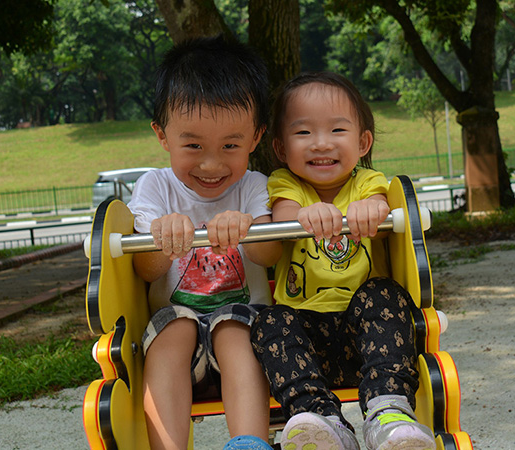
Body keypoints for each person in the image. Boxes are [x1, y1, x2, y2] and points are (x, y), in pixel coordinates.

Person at [250, 72, 436, 450]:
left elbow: (381, 213)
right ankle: (321, 421)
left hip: (368, 341)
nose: (321, 143)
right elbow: (284, 217)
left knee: (384, 293)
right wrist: (304, 214)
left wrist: (373, 209)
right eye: (303, 132)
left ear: (362, 142)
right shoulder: (285, 184)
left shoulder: (368, 182)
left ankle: (388, 411)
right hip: (306, 344)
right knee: (269, 321)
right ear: (281, 148)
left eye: (337, 130)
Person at [128, 36, 281, 450]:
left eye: (230, 146)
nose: (211, 164)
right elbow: (146, 270)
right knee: (173, 328)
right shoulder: (154, 188)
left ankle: (249, 444)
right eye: (193, 145)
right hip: (178, 341)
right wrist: (162, 237)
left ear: (256, 137)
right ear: (162, 135)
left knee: (233, 328)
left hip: (246, 333)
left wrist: (249, 228)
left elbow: (270, 254)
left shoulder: (254, 186)